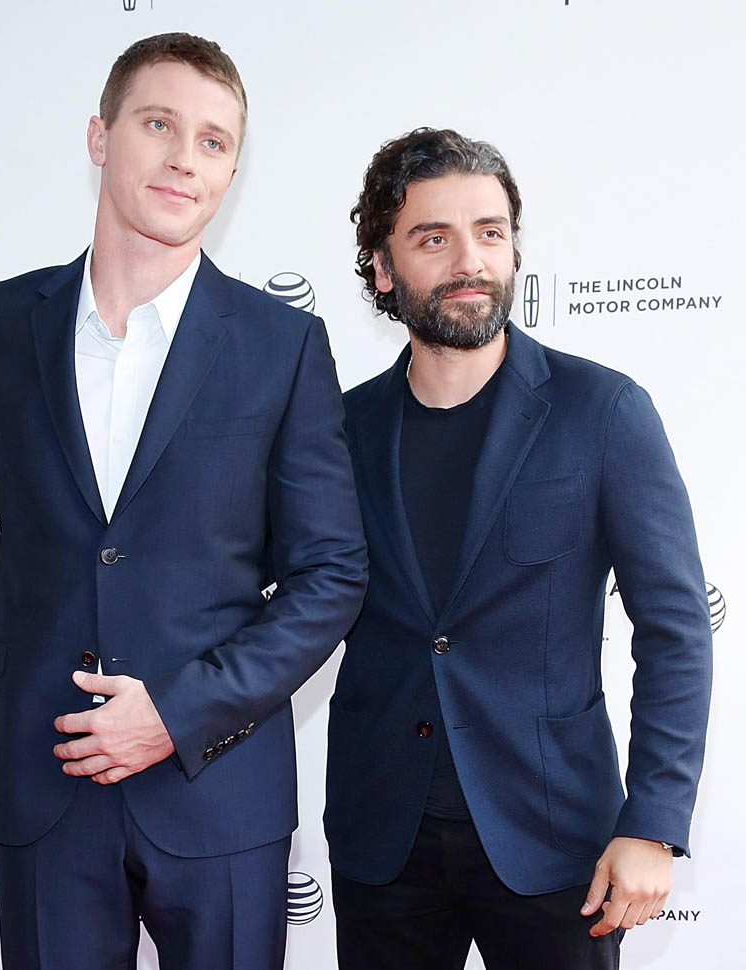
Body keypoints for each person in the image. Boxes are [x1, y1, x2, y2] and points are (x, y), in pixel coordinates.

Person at [0, 32, 367, 970]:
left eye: (212, 141)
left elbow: (330, 574)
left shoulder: (282, 345)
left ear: (233, 172)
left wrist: (179, 711)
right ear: (100, 136)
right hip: (42, 784)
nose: (183, 159)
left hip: (219, 787)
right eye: (159, 125)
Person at [324, 128, 712, 970]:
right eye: (433, 238)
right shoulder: (341, 430)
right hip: (381, 837)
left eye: (489, 232)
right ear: (383, 268)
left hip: (557, 839)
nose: (470, 260)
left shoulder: (601, 411)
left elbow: (675, 630)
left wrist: (652, 823)